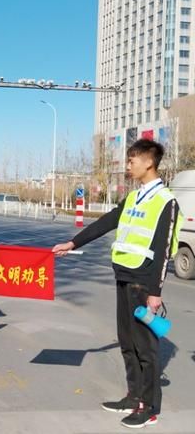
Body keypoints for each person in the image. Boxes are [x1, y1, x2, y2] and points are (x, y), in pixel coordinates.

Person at [52, 139, 182, 429]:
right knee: (127, 343)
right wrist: (73, 242)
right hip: (123, 276)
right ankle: (133, 396)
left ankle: (148, 408)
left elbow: (162, 252)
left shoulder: (166, 201)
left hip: (143, 282)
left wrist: (155, 293)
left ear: (149, 162)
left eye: (132, 160)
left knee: (145, 348)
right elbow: (109, 221)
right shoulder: (135, 197)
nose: (128, 165)